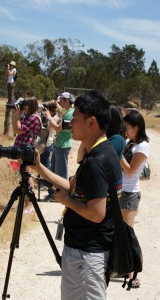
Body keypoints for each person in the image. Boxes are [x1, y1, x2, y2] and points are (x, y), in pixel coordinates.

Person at [31, 91, 122, 299]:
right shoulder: (101, 153)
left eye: (75, 118)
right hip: (84, 252)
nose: (70, 123)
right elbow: (73, 186)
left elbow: (96, 213)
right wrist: (40, 169)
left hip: (87, 255)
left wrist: (66, 201)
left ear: (91, 122)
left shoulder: (96, 161)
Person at [120, 110, 149, 288]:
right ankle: (123, 268)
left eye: (128, 127)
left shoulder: (142, 147)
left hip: (130, 194)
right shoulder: (129, 142)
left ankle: (132, 275)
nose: (126, 130)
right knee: (119, 233)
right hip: (120, 192)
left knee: (127, 234)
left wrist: (118, 154)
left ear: (137, 127)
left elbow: (130, 170)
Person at [42, 92, 74, 201]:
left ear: (66, 100)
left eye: (61, 100)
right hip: (59, 144)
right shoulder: (68, 112)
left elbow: (57, 128)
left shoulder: (70, 114)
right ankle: (53, 194)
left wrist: (49, 117)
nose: (59, 102)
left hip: (63, 146)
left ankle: (61, 195)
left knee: (60, 173)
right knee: (54, 170)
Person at [13, 97, 41, 213]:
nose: (24, 107)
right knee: (24, 175)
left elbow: (19, 130)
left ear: (32, 105)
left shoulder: (34, 117)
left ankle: (29, 205)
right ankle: (26, 203)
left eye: (26, 105)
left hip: (26, 149)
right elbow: (16, 128)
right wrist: (17, 114)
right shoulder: (27, 115)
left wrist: (18, 114)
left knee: (27, 175)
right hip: (22, 148)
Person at [3, 61, 17, 136]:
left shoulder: (14, 70)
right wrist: (7, 69)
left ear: (13, 66)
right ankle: (9, 101)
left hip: (11, 83)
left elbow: (11, 74)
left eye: (11, 65)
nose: (10, 65)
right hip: (9, 83)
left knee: (11, 94)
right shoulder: (10, 69)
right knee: (9, 95)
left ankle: (11, 102)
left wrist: (8, 68)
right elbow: (7, 74)